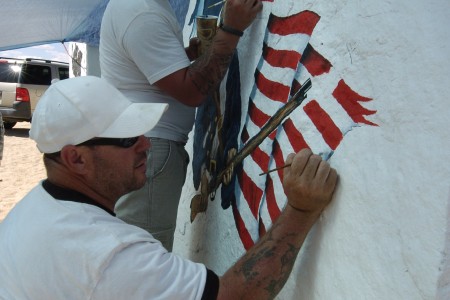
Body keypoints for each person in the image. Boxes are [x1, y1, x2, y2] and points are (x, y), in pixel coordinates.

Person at [0, 76, 338, 299]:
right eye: (128, 138)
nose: (146, 144)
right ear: (76, 160)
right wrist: (300, 210)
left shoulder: (33, 207)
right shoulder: (111, 255)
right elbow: (237, 296)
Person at [99, 0, 263, 251]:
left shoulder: (141, 8)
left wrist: (180, 58)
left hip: (148, 144)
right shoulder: (141, 12)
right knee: (143, 257)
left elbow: (145, 72)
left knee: (137, 249)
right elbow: (191, 92)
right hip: (151, 147)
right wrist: (231, 28)